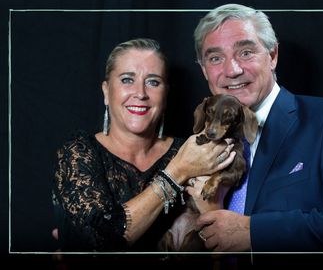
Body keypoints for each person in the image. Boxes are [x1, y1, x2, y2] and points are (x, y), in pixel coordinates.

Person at [189, 4, 323, 252]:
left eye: (246, 52)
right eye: (215, 58)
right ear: (204, 70)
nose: (232, 70)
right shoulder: (199, 142)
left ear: (272, 56)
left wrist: (252, 232)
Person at [51, 38, 235, 252]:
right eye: (127, 79)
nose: (140, 93)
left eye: (153, 82)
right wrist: (178, 172)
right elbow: (96, 243)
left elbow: (218, 242)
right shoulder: (78, 152)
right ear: (106, 91)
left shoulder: (190, 150)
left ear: (165, 95)